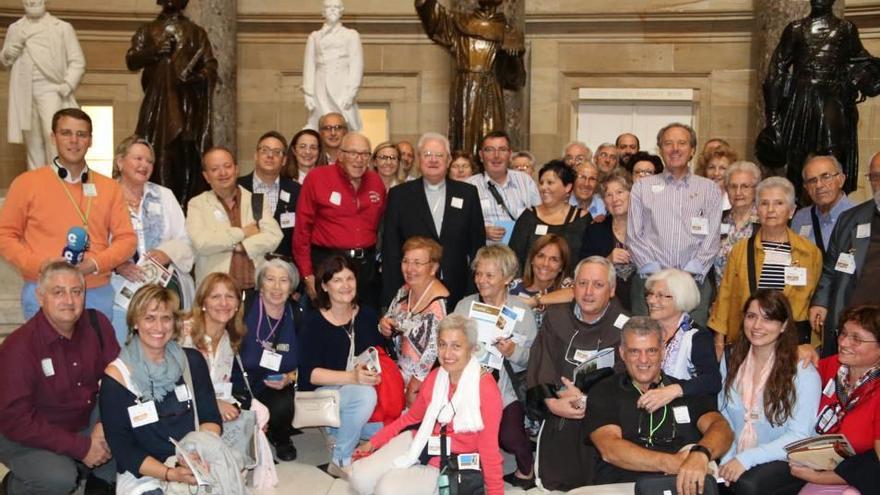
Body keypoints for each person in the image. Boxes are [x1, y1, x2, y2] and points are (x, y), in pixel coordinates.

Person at [0, 108, 137, 321]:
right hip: (44, 290)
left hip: (95, 291)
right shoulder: (26, 183)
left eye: (81, 134)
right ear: (53, 137)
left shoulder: (109, 187)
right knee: (45, 355)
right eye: (66, 133)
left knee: (95, 355)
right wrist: (41, 265)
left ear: (90, 141)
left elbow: (127, 240)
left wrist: (94, 264)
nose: (74, 141)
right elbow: (5, 236)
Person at [349, 314, 505, 495]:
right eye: (442, 344)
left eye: (456, 346)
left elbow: (490, 451)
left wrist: (495, 492)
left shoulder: (486, 390)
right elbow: (411, 418)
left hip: (449, 462)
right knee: (359, 477)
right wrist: (374, 443)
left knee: (387, 490)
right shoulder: (436, 377)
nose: (447, 354)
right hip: (422, 441)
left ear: (471, 349)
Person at [0, 261, 119, 495]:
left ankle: (93, 479)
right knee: (58, 478)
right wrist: (82, 447)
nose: (69, 301)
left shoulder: (97, 324)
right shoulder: (19, 347)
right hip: (26, 434)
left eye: (76, 292)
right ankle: (14, 487)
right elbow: (16, 421)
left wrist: (102, 427)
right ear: (40, 296)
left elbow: (117, 382)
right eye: (58, 292)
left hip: (81, 420)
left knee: (128, 445)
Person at [99, 284, 228, 494]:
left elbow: (210, 417)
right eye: (149, 318)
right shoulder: (117, 377)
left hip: (194, 461)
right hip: (145, 472)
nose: (159, 327)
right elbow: (123, 449)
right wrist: (170, 473)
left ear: (175, 322)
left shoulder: (191, 361)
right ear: (135, 322)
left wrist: (197, 453)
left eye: (166, 318)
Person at [586, 317, 734, 493]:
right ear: (622, 352)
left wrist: (701, 453)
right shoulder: (605, 391)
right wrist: (672, 463)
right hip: (624, 486)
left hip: (676, 487)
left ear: (663, 351)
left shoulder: (684, 391)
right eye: (634, 351)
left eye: (651, 351)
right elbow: (610, 449)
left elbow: (722, 429)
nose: (643, 360)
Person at [526, 256, 630, 490]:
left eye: (598, 284)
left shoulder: (625, 327)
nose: (588, 292)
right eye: (582, 283)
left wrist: (587, 400)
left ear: (612, 290)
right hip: (559, 409)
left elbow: (624, 376)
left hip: (605, 418)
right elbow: (542, 362)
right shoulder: (556, 317)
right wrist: (551, 401)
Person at [760, 0, 876, 194]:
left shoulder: (846, 29)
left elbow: (860, 62)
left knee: (835, 153)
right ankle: (800, 204)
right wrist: (772, 117)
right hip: (801, 101)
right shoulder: (795, 29)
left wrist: (869, 78)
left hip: (833, 100)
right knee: (798, 160)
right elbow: (776, 72)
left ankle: (835, 205)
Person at [716, 290, 821, 495]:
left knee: (747, 485)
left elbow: (799, 436)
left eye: (768, 319)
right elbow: (724, 415)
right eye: (751, 316)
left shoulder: (802, 371)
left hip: (785, 458)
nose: (757, 326)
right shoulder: (731, 359)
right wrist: (727, 459)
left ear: (783, 326)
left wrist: (746, 459)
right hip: (737, 453)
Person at [453, 245, 538, 488]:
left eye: (489, 275)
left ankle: (526, 469)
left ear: (508, 278)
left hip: (505, 388)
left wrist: (513, 352)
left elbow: (533, 358)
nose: (481, 280)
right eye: (478, 274)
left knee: (510, 438)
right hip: (468, 385)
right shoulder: (465, 306)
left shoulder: (521, 311)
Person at [297, 255, 386, 479]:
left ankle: (338, 431)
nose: (345, 286)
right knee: (364, 396)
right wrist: (352, 377)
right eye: (337, 280)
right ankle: (340, 457)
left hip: (354, 389)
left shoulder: (366, 315)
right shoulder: (313, 322)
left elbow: (377, 355)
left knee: (389, 427)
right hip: (323, 394)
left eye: (350, 278)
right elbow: (311, 374)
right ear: (324, 286)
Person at [628, 122, 722, 326]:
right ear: (660, 149)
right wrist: (660, 277)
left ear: (692, 150)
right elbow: (634, 236)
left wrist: (687, 275)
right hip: (650, 282)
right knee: (644, 344)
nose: (675, 148)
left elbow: (712, 237)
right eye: (668, 143)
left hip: (694, 283)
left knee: (690, 345)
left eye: (682, 143)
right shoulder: (642, 188)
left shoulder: (710, 189)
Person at [711, 177, 822, 349]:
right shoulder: (741, 250)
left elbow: (816, 300)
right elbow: (725, 297)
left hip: (791, 342)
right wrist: (719, 340)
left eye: (779, 203)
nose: (771, 210)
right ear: (756, 209)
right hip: (749, 339)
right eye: (764, 203)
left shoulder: (809, 252)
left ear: (791, 211)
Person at [126, 0, 218, 204]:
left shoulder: (196, 33)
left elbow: (210, 66)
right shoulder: (148, 30)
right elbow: (132, 59)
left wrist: (195, 77)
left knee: (185, 158)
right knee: (156, 153)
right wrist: (155, 51)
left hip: (187, 107)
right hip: (156, 106)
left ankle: (183, 205)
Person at [381, 132, 485, 309]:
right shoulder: (399, 195)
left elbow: (477, 246)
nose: (433, 160)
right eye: (427, 154)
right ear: (419, 159)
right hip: (413, 289)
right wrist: (394, 298)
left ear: (449, 159)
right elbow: (391, 250)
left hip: (458, 289)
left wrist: (473, 290)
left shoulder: (468, 193)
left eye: (439, 155)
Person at [110, 135, 195, 344]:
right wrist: (118, 264)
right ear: (120, 162)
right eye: (138, 159)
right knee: (123, 347)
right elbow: (95, 242)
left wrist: (167, 253)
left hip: (162, 288)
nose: (144, 165)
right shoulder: (105, 195)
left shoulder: (164, 196)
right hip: (118, 289)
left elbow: (186, 240)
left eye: (149, 161)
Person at [415, 0, 524, 157]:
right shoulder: (460, 22)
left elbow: (515, 80)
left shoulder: (510, 33)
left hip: (490, 90)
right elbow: (433, 18)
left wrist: (513, 58)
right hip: (465, 87)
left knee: (491, 136)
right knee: (464, 136)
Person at [793, 305, 880, 494]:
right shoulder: (830, 366)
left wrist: (818, 477)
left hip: (859, 477)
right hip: (813, 462)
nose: (844, 343)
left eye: (856, 339)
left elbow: (875, 465)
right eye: (843, 334)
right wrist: (799, 351)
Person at [294, 132, 387, 308]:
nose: (359, 159)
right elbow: (302, 231)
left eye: (365, 154)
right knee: (328, 325)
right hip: (328, 265)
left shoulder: (376, 182)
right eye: (353, 153)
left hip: (365, 267)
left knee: (365, 323)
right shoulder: (317, 178)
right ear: (340, 155)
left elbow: (382, 226)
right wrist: (307, 274)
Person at [1, 0, 85, 170]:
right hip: (24, 91)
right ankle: (38, 184)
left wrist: (67, 85)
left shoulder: (61, 27)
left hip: (52, 89)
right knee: (32, 141)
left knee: (54, 136)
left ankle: (58, 180)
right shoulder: (16, 29)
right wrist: (7, 54)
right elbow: (4, 61)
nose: (32, 1)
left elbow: (77, 61)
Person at [185, 147, 282, 292]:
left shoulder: (256, 200)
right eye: (215, 169)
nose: (223, 173)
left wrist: (240, 246)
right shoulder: (197, 204)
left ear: (236, 170)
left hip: (255, 289)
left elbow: (274, 236)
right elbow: (202, 243)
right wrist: (242, 233)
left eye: (227, 166)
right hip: (215, 292)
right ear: (206, 176)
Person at [810, 171, 880, 356]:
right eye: (875, 176)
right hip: (851, 322)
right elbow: (830, 268)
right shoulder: (850, 219)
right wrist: (821, 303)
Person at [240, 259, 302, 462]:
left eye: (283, 280)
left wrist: (290, 378)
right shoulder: (244, 306)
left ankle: (280, 436)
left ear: (291, 286)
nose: (276, 287)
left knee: (283, 404)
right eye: (270, 279)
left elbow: (307, 363)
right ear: (260, 283)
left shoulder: (298, 315)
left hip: (274, 387)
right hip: (239, 384)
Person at [379, 237, 449, 406]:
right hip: (398, 370)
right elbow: (388, 319)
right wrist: (383, 325)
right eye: (406, 261)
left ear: (433, 268)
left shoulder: (439, 304)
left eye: (417, 263)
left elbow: (433, 353)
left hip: (423, 381)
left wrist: (414, 387)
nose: (409, 269)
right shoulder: (404, 290)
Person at [640, 268, 721, 411]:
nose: (651, 300)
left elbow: (712, 381)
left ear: (681, 298)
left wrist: (673, 390)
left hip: (682, 411)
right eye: (650, 294)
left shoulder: (696, 337)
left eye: (661, 296)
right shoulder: (643, 331)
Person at [509, 160, 590, 274]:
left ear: (567, 187)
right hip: (528, 287)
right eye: (541, 183)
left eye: (550, 183)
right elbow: (514, 258)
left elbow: (586, 261)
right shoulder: (528, 216)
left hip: (568, 288)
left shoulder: (581, 219)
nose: (543, 187)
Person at [467, 130, 541, 245]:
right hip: (484, 255)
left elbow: (541, 218)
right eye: (490, 150)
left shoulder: (526, 182)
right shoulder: (468, 186)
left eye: (502, 150)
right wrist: (481, 231)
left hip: (520, 253)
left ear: (510, 155)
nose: (496, 156)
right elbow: (459, 226)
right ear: (481, 156)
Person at [238, 131, 302, 262]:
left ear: (284, 160)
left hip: (284, 269)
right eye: (265, 150)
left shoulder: (296, 191)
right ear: (256, 156)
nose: (270, 156)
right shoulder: (238, 187)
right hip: (246, 264)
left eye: (276, 152)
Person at [303, 0, 363, 132]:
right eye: (329, 7)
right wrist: (308, 94)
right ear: (323, 12)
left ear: (341, 11)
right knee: (319, 124)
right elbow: (309, 66)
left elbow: (356, 65)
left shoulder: (351, 35)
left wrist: (352, 92)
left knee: (346, 125)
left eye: (336, 7)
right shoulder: (314, 37)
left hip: (342, 87)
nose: (332, 10)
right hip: (320, 86)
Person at [580, 172, 636, 311]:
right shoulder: (595, 231)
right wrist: (607, 261)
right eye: (609, 195)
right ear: (604, 202)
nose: (614, 199)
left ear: (632, 194)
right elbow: (583, 270)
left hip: (641, 302)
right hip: (606, 306)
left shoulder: (647, 229)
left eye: (620, 192)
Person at [790, 155, 854, 255]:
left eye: (826, 177)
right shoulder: (801, 218)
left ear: (841, 180)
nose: (819, 185)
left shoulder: (861, 216)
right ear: (806, 187)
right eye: (812, 180)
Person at [713, 161, 762, 290]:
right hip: (718, 300)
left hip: (752, 301)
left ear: (756, 189)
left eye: (745, 186)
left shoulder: (765, 222)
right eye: (733, 186)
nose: (738, 192)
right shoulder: (716, 220)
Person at [509, 233, 573, 328]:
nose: (545, 264)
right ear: (532, 260)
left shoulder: (566, 285)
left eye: (554, 259)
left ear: (561, 267)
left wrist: (534, 301)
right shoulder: (513, 287)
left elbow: (578, 293)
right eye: (541, 256)